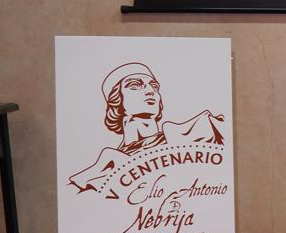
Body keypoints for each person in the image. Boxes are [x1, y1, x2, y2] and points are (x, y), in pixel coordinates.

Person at [68, 62, 225, 193]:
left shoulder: (196, 131)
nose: (150, 91)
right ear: (116, 101)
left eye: (154, 87)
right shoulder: (104, 165)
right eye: (135, 85)